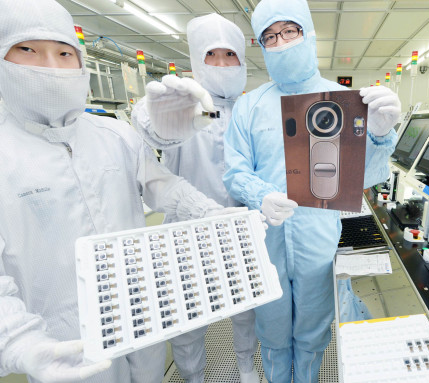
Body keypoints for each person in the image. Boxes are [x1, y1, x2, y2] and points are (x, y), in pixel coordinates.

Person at [0, 1, 233, 382]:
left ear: (80, 61)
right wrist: (17, 342)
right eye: (28, 50)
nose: (51, 66)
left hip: (140, 311)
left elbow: (163, 186)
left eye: (63, 53)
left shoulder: (114, 135)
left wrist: (210, 212)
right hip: (63, 337)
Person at [223, 0, 400, 381]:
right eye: (270, 37)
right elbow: (234, 171)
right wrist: (259, 195)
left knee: (313, 329)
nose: (281, 42)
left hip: (318, 239)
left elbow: (363, 177)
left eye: (289, 31)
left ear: (308, 33)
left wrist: (380, 134)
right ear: (261, 45)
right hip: (265, 242)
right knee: (271, 329)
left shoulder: (343, 100)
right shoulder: (249, 106)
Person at [132, 13, 259, 383]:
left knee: (246, 308)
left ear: (242, 59)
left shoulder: (251, 111)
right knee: (188, 315)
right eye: (211, 55)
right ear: (195, 59)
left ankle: (247, 366)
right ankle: (193, 376)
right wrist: (160, 118)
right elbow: (150, 125)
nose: (221, 64)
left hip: (242, 228)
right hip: (187, 232)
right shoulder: (180, 102)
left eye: (230, 55)